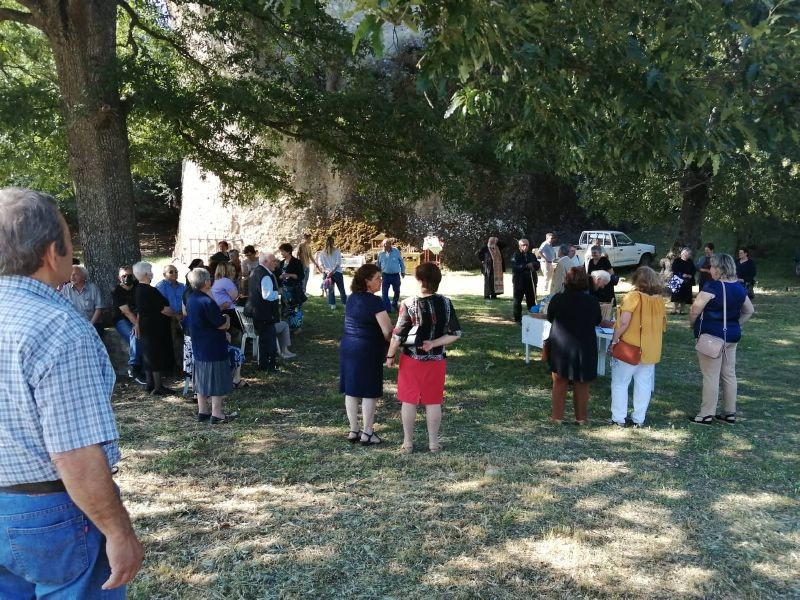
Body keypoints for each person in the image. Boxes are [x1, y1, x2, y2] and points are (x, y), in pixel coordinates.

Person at [0, 188, 143, 596]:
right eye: (69, 238)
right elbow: (74, 452)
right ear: (52, 252)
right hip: (49, 512)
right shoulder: (58, 327)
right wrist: (117, 531)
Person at [386, 263, 462, 453]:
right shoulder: (446, 303)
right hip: (437, 360)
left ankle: (408, 443)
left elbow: (398, 336)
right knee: (433, 401)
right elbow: (455, 333)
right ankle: (433, 443)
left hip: (411, 360)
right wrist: (433, 343)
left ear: (419, 280)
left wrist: (390, 355)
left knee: (409, 400)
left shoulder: (408, 303)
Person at [689, 253, 754, 425]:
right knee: (729, 374)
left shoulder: (712, 287)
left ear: (718, 269)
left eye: (712, 266)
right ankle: (729, 413)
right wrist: (735, 324)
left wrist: (692, 324)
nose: (710, 269)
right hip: (731, 336)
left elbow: (695, 310)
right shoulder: (739, 287)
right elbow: (749, 310)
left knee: (711, 376)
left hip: (711, 337)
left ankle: (706, 414)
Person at [340, 264, 393, 445]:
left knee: (352, 390)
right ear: (366, 281)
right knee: (370, 391)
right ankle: (368, 433)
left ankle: (354, 430)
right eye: (377, 278)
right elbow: (387, 331)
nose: (381, 281)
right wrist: (394, 344)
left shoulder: (351, 298)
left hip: (348, 347)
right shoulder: (374, 301)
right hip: (367, 348)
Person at [609, 267, 667, 427]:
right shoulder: (659, 300)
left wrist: (614, 340)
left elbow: (624, 322)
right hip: (651, 348)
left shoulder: (633, 296)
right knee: (644, 384)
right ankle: (639, 418)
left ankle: (618, 418)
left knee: (620, 382)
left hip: (630, 346)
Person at [546, 268, 602, 424]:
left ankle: (557, 417)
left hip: (561, 345)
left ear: (567, 281)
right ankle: (581, 418)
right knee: (582, 382)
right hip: (584, 345)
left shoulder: (558, 299)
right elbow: (597, 320)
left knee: (559, 381)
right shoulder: (592, 301)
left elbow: (550, 317)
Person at [185, 267, 238, 423]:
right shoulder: (207, 301)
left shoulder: (192, 298)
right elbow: (222, 325)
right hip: (213, 345)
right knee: (216, 379)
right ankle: (217, 413)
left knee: (201, 378)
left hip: (199, 344)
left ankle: (203, 411)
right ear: (206, 282)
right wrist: (227, 318)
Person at [133, 261, 178, 395]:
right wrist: (177, 315)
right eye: (150, 271)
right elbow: (164, 309)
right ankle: (158, 387)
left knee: (148, 354)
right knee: (155, 354)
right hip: (155, 326)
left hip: (145, 325)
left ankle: (150, 383)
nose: (152, 273)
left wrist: (137, 324)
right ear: (146, 274)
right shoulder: (149, 290)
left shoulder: (138, 289)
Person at [246, 252, 281, 372]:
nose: (275, 263)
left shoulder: (255, 271)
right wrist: (278, 293)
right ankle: (270, 366)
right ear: (265, 262)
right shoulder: (265, 275)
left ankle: (263, 365)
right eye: (273, 261)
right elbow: (267, 295)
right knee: (269, 340)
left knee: (263, 340)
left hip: (258, 312)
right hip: (265, 313)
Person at [112, 265, 145, 384]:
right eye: (124, 276)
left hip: (139, 318)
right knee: (134, 334)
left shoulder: (139, 287)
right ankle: (135, 368)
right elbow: (126, 312)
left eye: (129, 275)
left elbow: (142, 306)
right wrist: (137, 325)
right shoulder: (116, 291)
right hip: (121, 319)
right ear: (119, 278)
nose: (127, 278)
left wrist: (138, 323)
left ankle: (146, 369)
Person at [61, 264, 105, 338]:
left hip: (92, 323)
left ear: (83, 276)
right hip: (73, 325)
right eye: (70, 274)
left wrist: (90, 325)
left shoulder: (93, 288)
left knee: (91, 337)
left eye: (75, 274)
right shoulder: (65, 289)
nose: (72, 277)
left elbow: (99, 308)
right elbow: (61, 308)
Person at [156, 264, 187, 368]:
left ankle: (185, 365)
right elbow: (161, 305)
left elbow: (187, 301)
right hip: (167, 318)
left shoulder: (183, 286)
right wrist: (175, 316)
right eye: (171, 272)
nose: (174, 273)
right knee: (172, 342)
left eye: (176, 271)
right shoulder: (160, 286)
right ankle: (174, 366)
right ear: (164, 274)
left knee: (186, 340)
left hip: (182, 316)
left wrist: (182, 315)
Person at [277, 242, 307, 329]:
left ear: (288, 251)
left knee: (296, 308)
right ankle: (289, 326)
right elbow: (279, 275)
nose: (281, 253)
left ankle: (298, 327)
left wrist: (289, 275)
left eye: (282, 251)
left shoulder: (296, 262)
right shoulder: (282, 263)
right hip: (284, 290)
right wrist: (280, 277)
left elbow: (301, 276)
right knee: (286, 308)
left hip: (294, 289)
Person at [511, 238, 540, 322]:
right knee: (517, 301)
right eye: (523, 245)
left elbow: (537, 265)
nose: (526, 247)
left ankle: (532, 316)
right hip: (519, 282)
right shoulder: (515, 255)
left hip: (531, 281)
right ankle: (517, 318)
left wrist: (533, 264)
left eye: (527, 245)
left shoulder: (532, 255)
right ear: (519, 246)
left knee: (531, 300)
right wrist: (526, 266)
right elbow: (515, 267)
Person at [376, 238, 407, 313]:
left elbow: (401, 262)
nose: (385, 246)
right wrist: (377, 274)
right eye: (384, 245)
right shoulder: (380, 254)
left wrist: (403, 271)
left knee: (397, 291)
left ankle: (394, 303)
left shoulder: (396, 251)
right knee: (384, 293)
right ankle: (387, 308)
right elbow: (378, 265)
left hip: (395, 275)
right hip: (385, 275)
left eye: (387, 244)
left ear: (390, 245)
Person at [319, 236, 347, 309]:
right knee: (341, 289)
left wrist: (326, 271)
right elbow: (338, 263)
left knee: (330, 290)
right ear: (333, 242)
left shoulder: (322, 253)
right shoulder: (337, 251)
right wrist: (332, 271)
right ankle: (345, 304)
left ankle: (333, 305)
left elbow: (321, 264)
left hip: (327, 273)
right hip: (337, 272)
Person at [671, 248, 696, 314]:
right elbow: (674, 269)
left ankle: (682, 310)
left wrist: (690, 275)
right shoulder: (677, 260)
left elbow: (693, 270)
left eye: (688, 254)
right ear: (682, 254)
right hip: (677, 279)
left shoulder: (690, 261)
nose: (686, 255)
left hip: (687, 281)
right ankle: (674, 310)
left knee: (685, 296)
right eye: (685, 254)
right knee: (676, 296)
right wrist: (682, 274)